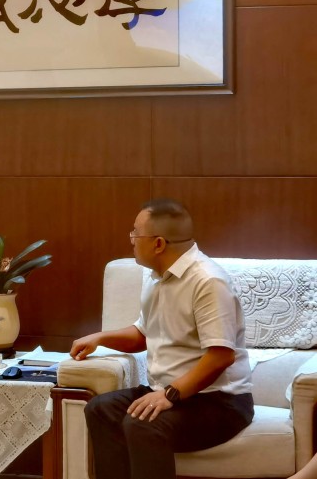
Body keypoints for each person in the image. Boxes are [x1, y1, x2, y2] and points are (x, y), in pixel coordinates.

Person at [70, 198, 254, 479]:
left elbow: (221, 356)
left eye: (136, 233)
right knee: (101, 409)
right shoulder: (154, 276)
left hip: (220, 403)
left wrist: (170, 394)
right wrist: (100, 337)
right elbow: (142, 335)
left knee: (142, 424)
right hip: (170, 393)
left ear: (158, 244)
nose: (131, 239)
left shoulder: (208, 281)